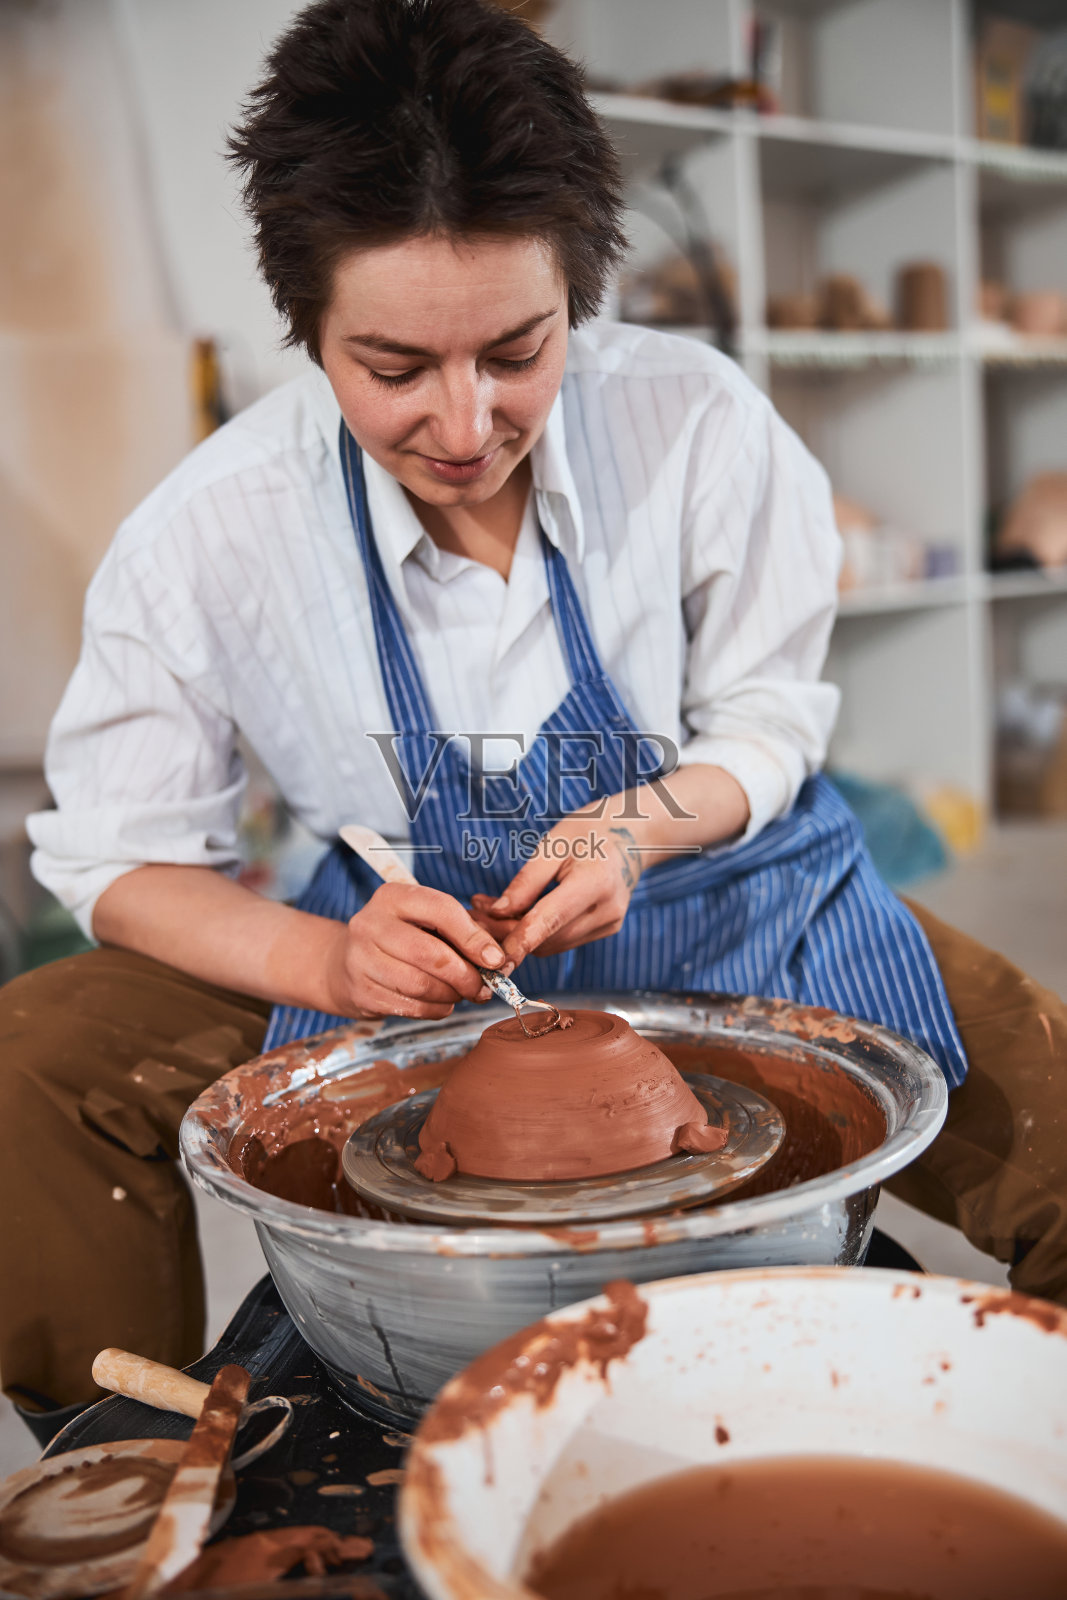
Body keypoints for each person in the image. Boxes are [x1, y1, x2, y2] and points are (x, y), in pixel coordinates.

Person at [2, 0, 1064, 1442]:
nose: (462, 422)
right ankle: (132, 1476)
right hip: (414, 953)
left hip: (737, 896)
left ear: (580, 288)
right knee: (36, 1062)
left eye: (518, 349)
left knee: (1050, 1109)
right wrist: (327, 956)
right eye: (394, 369)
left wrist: (638, 824)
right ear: (306, 328)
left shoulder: (695, 424)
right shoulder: (211, 534)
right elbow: (114, 863)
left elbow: (764, 721)